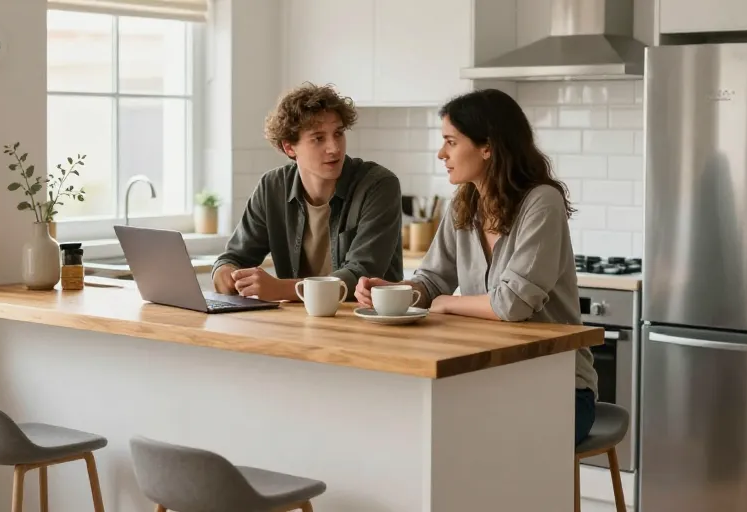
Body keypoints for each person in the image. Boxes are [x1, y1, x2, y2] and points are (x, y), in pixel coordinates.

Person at [353, 88, 599, 445]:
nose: (442, 153)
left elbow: (512, 304)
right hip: (489, 377)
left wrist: (445, 304)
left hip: (558, 388)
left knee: (466, 441)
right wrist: (396, 292)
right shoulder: (464, 202)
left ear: (488, 147)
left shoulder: (542, 203)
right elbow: (433, 279)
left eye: (451, 142)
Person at [211, 83, 404, 302]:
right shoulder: (272, 187)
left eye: (338, 133)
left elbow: (361, 274)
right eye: (318, 138)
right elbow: (236, 256)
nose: (335, 148)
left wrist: (281, 289)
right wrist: (225, 272)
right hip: (298, 323)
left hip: (366, 322)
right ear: (289, 148)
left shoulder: (378, 185)